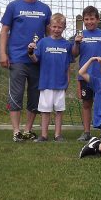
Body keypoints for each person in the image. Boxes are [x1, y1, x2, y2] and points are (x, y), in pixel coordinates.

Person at [0, 0, 52, 142]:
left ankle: (27, 130)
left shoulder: (45, 9)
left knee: (35, 96)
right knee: (16, 95)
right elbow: (4, 31)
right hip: (17, 58)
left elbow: (50, 34)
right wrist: (3, 53)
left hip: (37, 60)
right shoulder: (13, 6)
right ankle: (16, 131)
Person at [27, 13, 74, 142]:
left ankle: (58, 135)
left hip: (60, 83)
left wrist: (68, 81)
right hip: (46, 83)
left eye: (60, 27)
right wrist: (30, 52)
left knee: (59, 110)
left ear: (64, 27)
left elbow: (68, 65)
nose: (56, 29)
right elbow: (35, 59)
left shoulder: (67, 44)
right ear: (50, 26)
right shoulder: (43, 42)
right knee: (45, 110)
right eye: (54, 26)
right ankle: (44, 135)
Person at [72, 6, 101, 142]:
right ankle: (86, 132)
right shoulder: (80, 35)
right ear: (83, 20)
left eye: (92, 19)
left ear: (98, 20)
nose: (89, 22)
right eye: (87, 19)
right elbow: (74, 54)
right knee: (86, 104)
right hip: (85, 76)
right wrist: (76, 44)